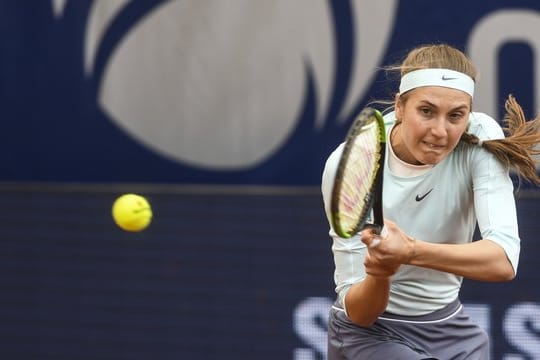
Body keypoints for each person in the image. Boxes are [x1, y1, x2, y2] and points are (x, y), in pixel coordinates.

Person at [321, 43, 540, 360]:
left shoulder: (481, 137)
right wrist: (381, 273)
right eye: (426, 111)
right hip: (371, 335)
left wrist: (409, 251)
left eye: (455, 116)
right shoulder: (354, 164)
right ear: (399, 106)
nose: (440, 131)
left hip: (450, 326)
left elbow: (503, 261)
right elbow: (359, 314)